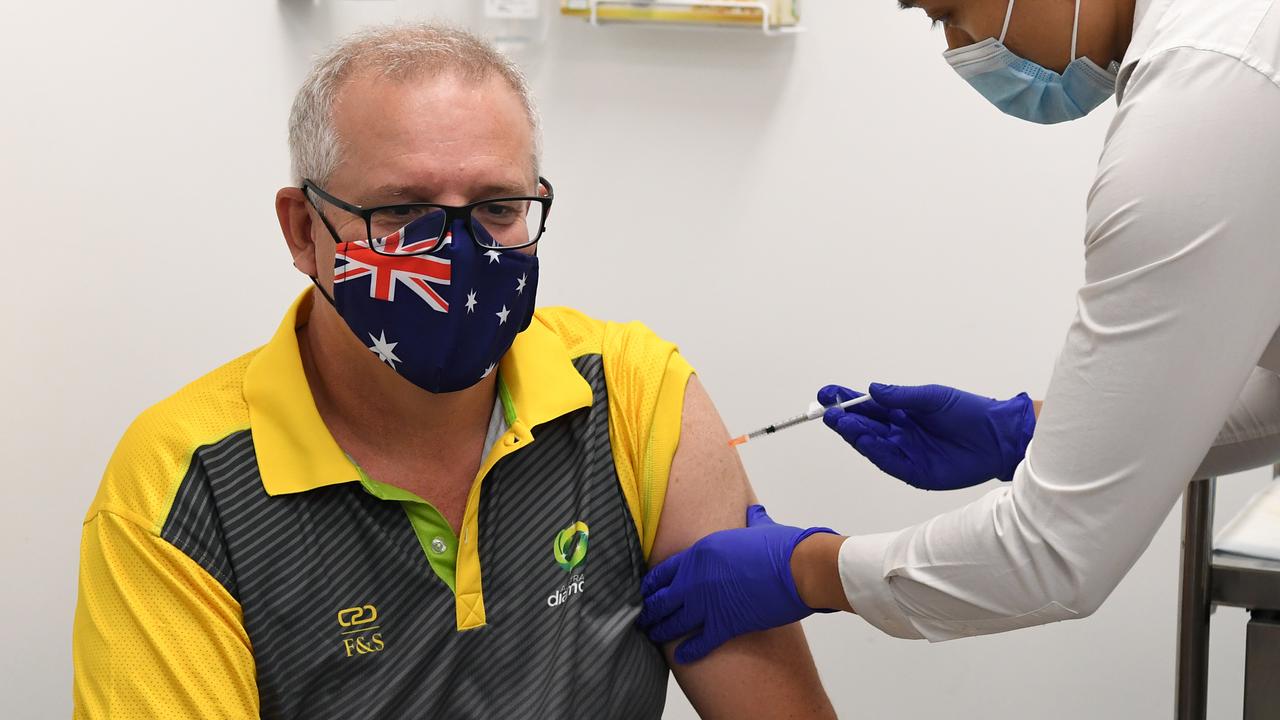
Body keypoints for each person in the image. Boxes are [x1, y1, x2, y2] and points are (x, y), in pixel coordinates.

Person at [71, 23, 835, 718]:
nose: (458, 254)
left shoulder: (633, 392)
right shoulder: (182, 487)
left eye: (498, 208)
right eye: (403, 214)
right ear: (305, 232)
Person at [639, 0, 1280, 661]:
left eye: (948, 11)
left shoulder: (1209, 100)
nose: (957, 47)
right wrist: (1025, 430)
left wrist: (806, 569)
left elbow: (1054, 557)